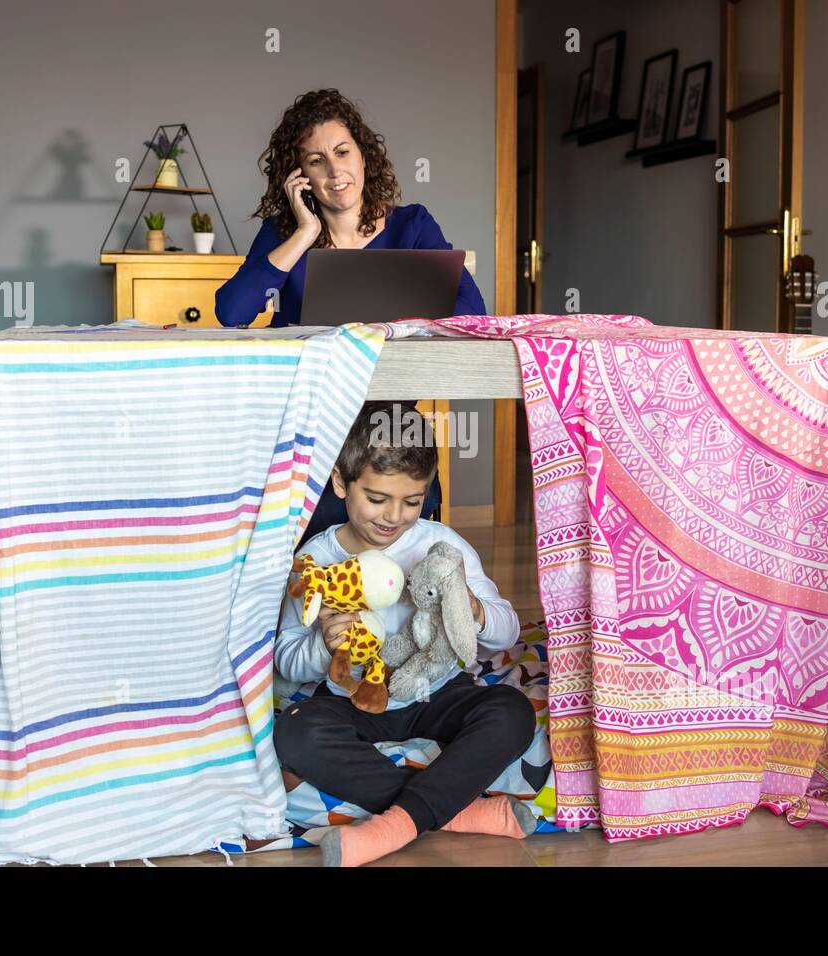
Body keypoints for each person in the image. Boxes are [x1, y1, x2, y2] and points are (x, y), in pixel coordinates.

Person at [273, 402, 536, 867]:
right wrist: (323, 645)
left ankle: (395, 823)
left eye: (412, 501)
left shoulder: (442, 545)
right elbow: (286, 661)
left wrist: (471, 611)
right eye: (377, 498)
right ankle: (456, 811)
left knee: (512, 712)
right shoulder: (316, 560)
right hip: (354, 698)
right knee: (294, 733)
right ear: (341, 483)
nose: (393, 516)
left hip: (436, 691)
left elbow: (507, 631)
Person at [217, 88, 482, 542]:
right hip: (312, 416)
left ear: (363, 156)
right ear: (299, 175)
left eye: (343, 152)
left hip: (389, 411)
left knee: (405, 474)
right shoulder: (283, 234)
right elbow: (233, 313)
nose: (335, 170)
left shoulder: (411, 225)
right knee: (319, 529)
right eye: (316, 160)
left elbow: (470, 310)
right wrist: (305, 233)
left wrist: (388, 329)